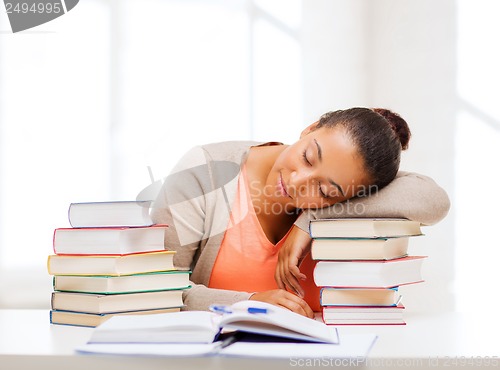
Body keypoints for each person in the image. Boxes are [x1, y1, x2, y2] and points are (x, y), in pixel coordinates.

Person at [151, 107, 450, 318]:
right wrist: (249, 303)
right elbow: (155, 290)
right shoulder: (206, 172)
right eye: (308, 157)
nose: (296, 182)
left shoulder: (347, 195)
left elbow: (433, 200)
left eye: (325, 191)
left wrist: (310, 220)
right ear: (310, 128)